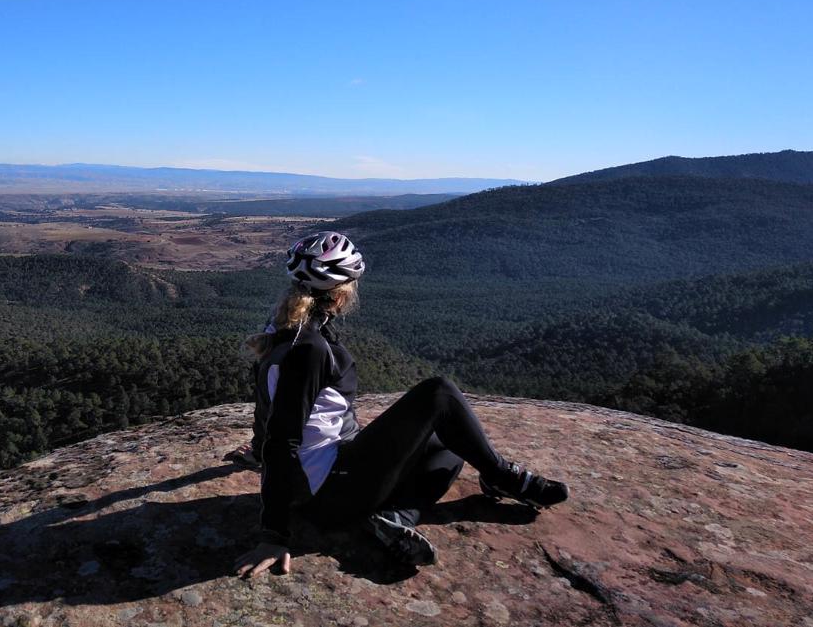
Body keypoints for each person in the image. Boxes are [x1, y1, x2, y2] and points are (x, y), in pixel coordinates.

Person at [232, 230, 568, 579]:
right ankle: (502, 476)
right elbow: (283, 438)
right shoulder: (310, 349)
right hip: (328, 494)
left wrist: (257, 448)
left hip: (325, 481)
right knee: (439, 393)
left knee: (450, 444)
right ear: (341, 294)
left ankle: (398, 518)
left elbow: (268, 405)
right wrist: (273, 534)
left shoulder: (283, 330)